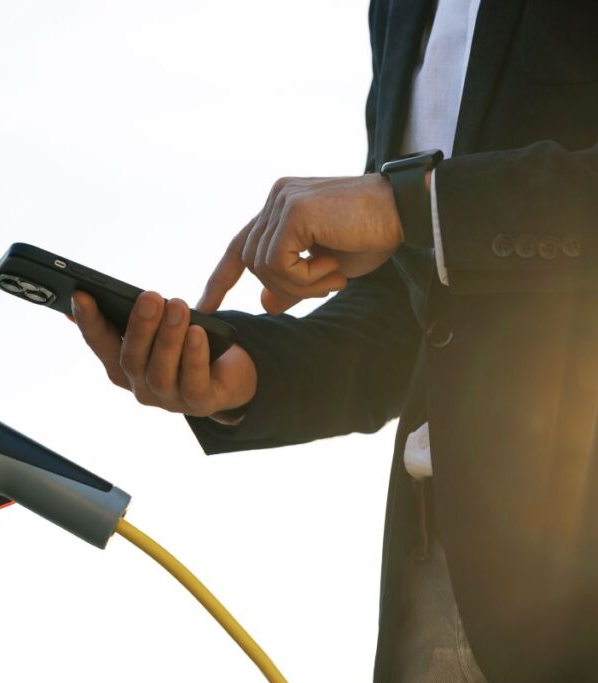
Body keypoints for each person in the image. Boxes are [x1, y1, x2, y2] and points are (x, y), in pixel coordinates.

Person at [72, 1, 598, 681]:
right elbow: (416, 304)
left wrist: (414, 202)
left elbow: (421, 213)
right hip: (439, 584)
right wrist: (248, 371)